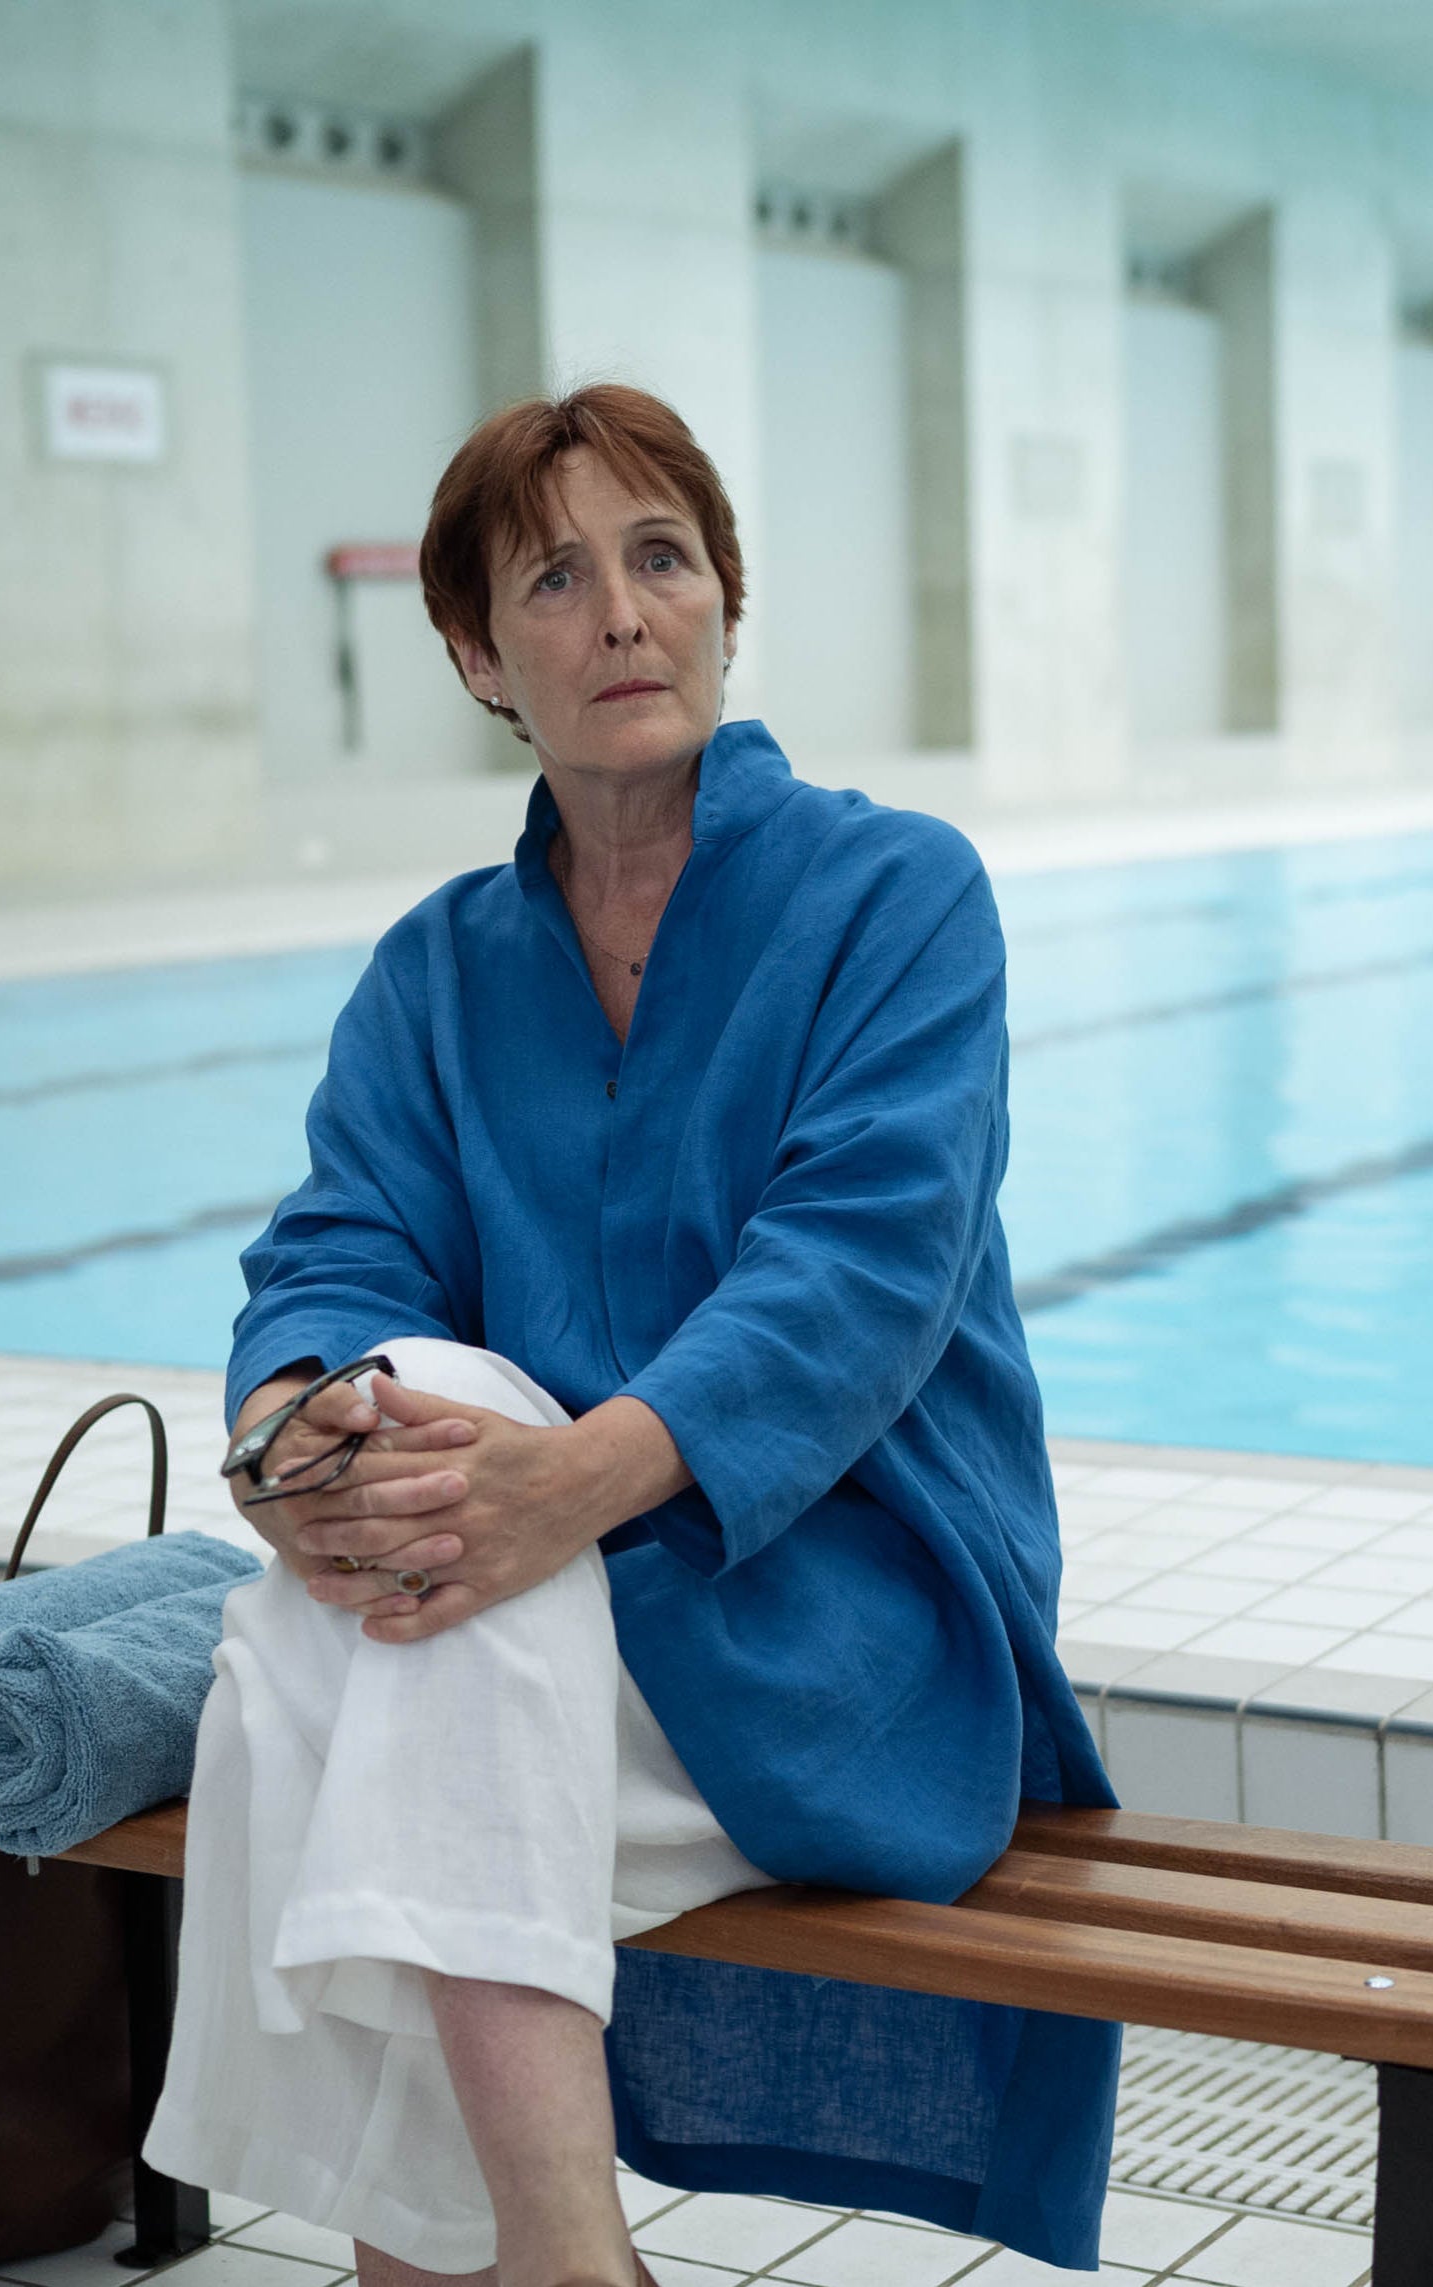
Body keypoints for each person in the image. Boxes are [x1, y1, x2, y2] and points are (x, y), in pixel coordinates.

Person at [143, 383, 1117, 2287]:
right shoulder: (438, 967)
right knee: (359, 1577)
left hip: (844, 1624)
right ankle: (566, 2260)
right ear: (474, 652)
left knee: (317, 1675)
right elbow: (337, 1248)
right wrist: (291, 1448)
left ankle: (499, 2266)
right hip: (544, 1650)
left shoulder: (894, 896)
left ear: (725, 603)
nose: (620, 615)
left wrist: (553, 1492)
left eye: (660, 559)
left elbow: (856, 1270)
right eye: (555, 580)